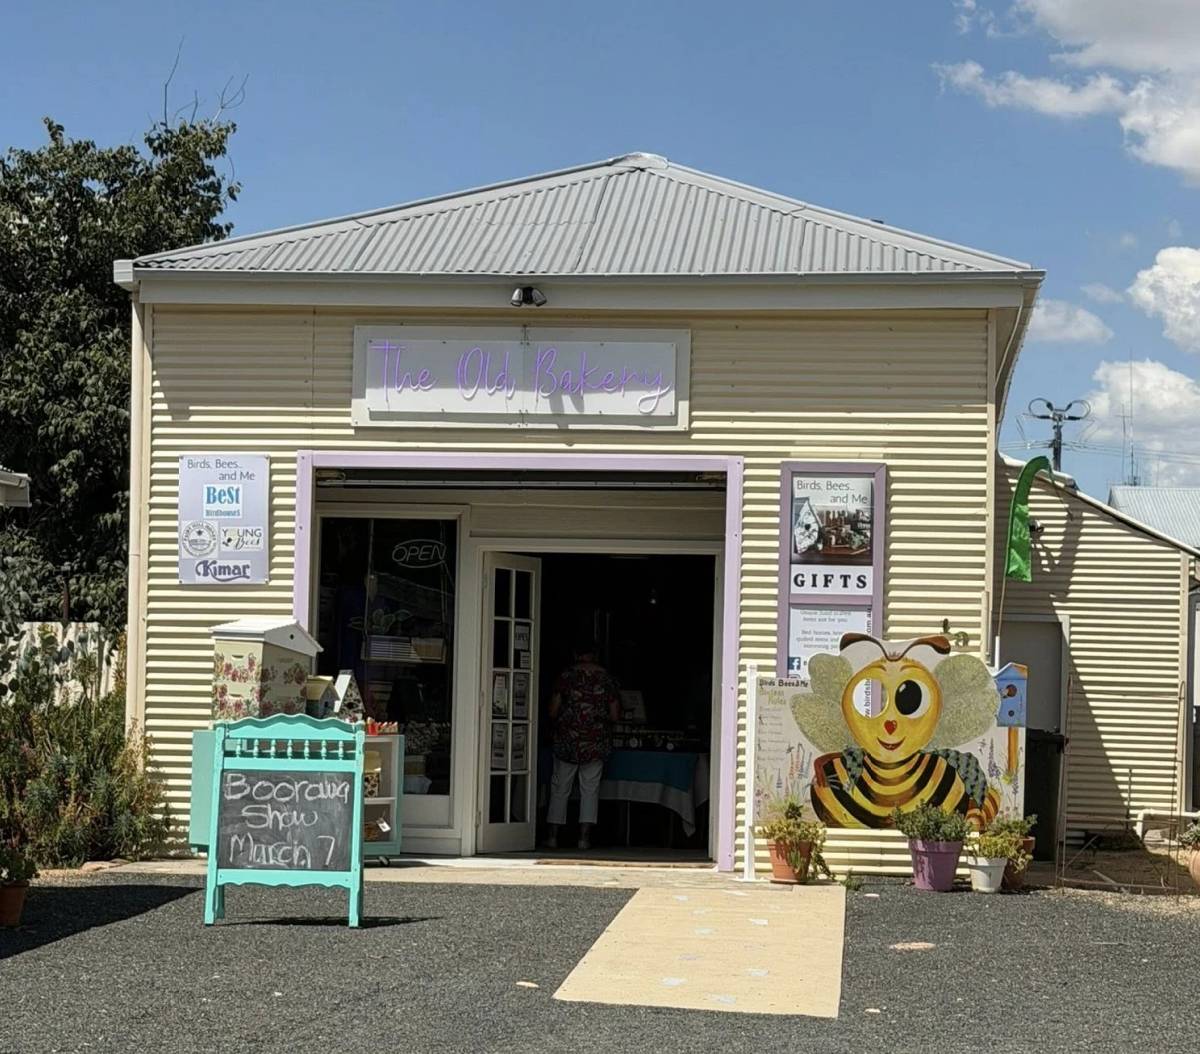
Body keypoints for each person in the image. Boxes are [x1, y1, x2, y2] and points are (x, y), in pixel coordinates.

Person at [545, 641, 620, 850]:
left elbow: (553, 710)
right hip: (595, 742)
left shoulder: (566, 676)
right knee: (590, 789)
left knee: (560, 788)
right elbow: (615, 714)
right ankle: (584, 838)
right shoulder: (606, 678)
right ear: (595, 654)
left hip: (567, 741)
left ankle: (552, 836)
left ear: (575, 653)